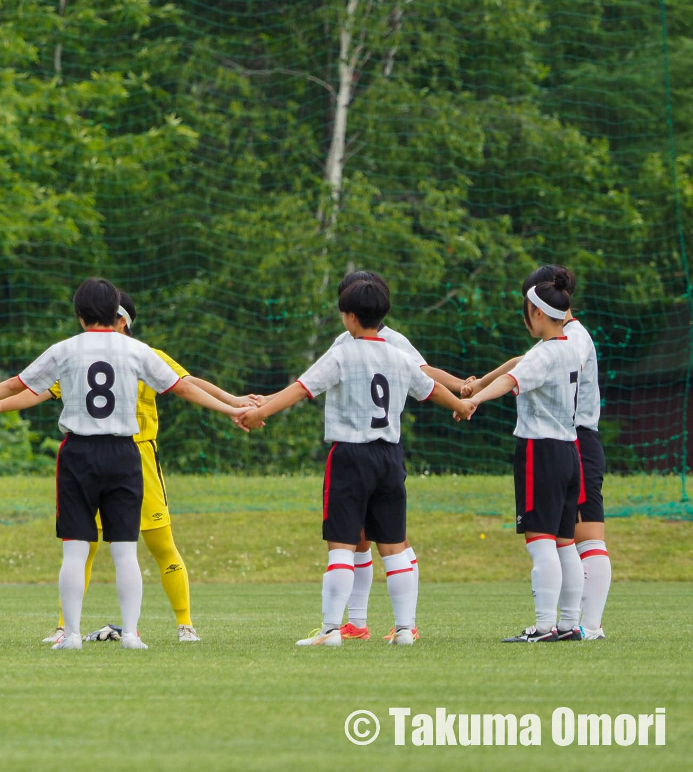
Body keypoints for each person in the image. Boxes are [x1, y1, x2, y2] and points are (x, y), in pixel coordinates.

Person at [0, 278, 254, 651]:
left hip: (82, 453)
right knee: (125, 550)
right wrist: (231, 409)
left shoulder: (66, 350)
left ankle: (74, 635)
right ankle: (130, 634)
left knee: (77, 549)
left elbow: (20, 385)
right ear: (115, 314)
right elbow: (183, 385)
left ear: (80, 314)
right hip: (124, 453)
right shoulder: (138, 351)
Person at [237, 278, 475, 646]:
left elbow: (302, 388)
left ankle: (331, 629)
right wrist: (462, 405)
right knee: (393, 547)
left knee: (342, 545)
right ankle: (404, 629)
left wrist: (259, 412)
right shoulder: (399, 356)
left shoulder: (342, 354)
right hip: (390, 458)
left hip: (350, 456)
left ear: (349, 317)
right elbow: (432, 390)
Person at [328, 270, 475, 642]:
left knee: (394, 541)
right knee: (358, 539)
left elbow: (423, 374)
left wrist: (460, 387)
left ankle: (406, 623)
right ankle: (357, 624)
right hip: (364, 448)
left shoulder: (393, 341)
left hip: (375, 449)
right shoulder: (342, 341)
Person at [467, 265, 606, 640]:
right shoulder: (569, 348)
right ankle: (569, 625)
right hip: (569, 451)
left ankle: (544, 625)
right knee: (565, 544)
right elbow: (520, 365)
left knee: (540, 541)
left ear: (538, 313)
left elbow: (512, 379)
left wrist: (475, 399)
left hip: (540, 451)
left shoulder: (545, 355)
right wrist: (481, 385)